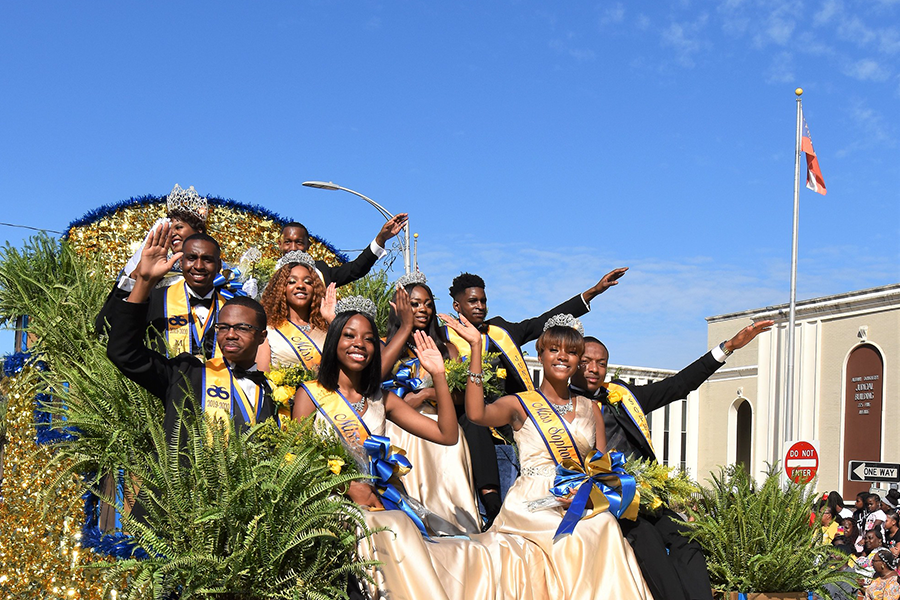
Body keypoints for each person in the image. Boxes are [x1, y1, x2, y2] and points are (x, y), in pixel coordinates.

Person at [444, 311, 654, 599]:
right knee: (570, 538)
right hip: (533, 502)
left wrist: (587, 497)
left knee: (605, 525)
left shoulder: (590, 408)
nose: (562, 357)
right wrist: (477, 350)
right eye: (553, 349)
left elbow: (601, 467)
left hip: (577, 498)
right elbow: (476, 414)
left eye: (570, 352)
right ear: (540, 355)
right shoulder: (520, 404)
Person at [568, 320, 772, 600]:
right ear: (573, 361)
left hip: (646, 495)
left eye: (601, 363)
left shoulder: (623, 396)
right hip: (607, 501)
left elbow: (678, 385)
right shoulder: (562, 405)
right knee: (649, 544)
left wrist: (728, 347)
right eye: (586, 361)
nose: (594, 368)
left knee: (686, 536)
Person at [105, 222, 277, 514]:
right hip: (175, 511)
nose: (230, 334)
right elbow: (122, 350)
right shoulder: (184, 374)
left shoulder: (273, 392)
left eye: (242, 328)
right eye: (223, 328)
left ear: (262, 336)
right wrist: (143, 283)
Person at [444, 267, 628, 525]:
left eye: (483, 300)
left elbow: (545, 321)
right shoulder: (444, 338)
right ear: (456, 305)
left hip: (523, 422)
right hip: (475, 416)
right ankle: (491, 502)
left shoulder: (502, 331)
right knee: (473, 424)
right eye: (473, 301)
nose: (480, 306)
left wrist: (593, 292)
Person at [379, 272, 480, 533]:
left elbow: (461, 396)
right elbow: (374, 384)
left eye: (427, 303)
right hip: (402, 430)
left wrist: (425, 394)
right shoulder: (382, 347)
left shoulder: (448, 349)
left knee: (449, 501)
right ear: (399, 308)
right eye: (414, 303)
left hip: (442, 428)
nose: (423, 309)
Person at [256, 250, 336, 372]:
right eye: (292, 281)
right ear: (281, 288)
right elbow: (261, 378)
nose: (300, 285)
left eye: (308, 282)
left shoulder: (327, 330)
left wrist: (332, 319)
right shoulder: (269, 330)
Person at [278, 213, 408, 287]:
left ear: (308, 245)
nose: (293, 248)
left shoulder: (321, 271)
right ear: (280, 244)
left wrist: (381, 239)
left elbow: (355, 269)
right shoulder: (266, 271)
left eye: (299, 242)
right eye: (288, 242)